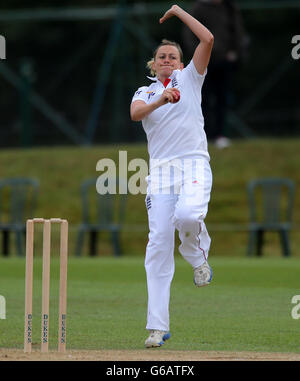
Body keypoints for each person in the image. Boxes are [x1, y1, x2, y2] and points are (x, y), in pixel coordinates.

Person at [130, 5, 214, 348]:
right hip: (161, 174)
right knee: (158, 243)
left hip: (194, 163)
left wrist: (179, 12)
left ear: (181, 63)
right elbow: (136, 115)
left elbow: (208, 38)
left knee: (189, 216)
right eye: (161, 57)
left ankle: (196, 255)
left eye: (172, 57)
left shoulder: (191, 77)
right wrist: (161, 100)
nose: (166, 60)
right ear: (154, 64)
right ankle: (156, 326)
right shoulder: (145, 92)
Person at [182, 0, 248, 148]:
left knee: (222, 99)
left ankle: (219, 135)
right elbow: (190, 34)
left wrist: (236, 54)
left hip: (225, 61)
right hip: (204, 63)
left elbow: (238, 32)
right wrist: (199, 56)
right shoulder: (199, 8)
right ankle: (202, 135)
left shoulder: (230, 7)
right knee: (201, 99)